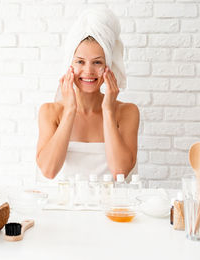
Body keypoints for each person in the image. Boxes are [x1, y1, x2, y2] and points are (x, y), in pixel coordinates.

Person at [36, 7, 139, 181]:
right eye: (80, 62)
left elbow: (120, 172)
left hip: (113, 208)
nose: (88, 71)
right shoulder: (50, 112)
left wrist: (108, 110)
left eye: (97, 62)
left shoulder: (127, 112)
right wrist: (70, 110)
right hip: (65, 207)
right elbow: (49, 171)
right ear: (70, 65)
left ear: (108, 66)